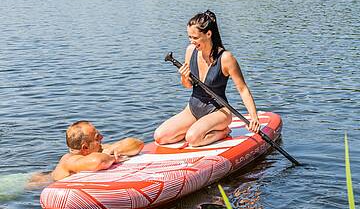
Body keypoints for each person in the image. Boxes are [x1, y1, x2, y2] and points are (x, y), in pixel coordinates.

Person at [154, 10, 260, 147]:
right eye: (189, 37)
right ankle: (198, 128)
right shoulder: (190, 51)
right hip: (193, 109)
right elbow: (187, 85)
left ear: (208, 34)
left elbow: (243, 89)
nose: (192, 41)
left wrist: (254, 118)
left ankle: (223, 131)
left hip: (218, 111)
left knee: (192, 139)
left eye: (195, 38)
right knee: (160, 137)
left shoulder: (226, 58)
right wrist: (184, 76)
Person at [28, 120, 144, 185]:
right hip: (37, 183)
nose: (102, 137)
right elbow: (97, 161)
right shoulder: (69, 160)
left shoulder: (97, 149)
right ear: (85, 148)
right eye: (97, 137)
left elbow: (137, 144)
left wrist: (116, 149)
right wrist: (113, 158)